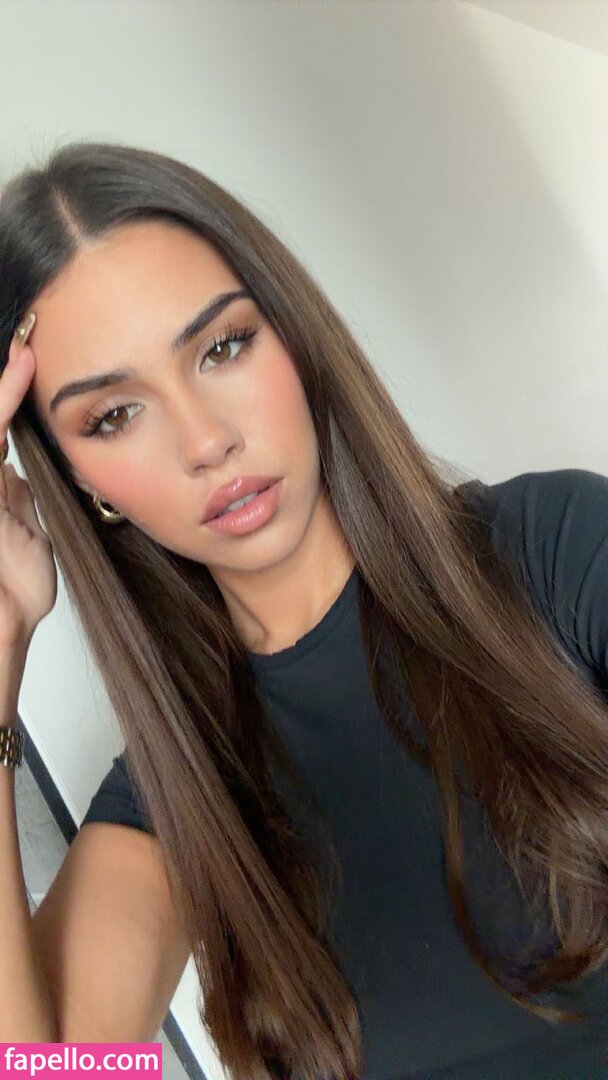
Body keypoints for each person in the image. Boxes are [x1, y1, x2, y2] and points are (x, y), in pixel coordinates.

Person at [0, 140, 607, 1080]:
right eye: (113, 414)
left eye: (223, 346)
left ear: (291, 333)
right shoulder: (177, 795)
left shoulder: (556, 551)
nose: (207, 440)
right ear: (81, 482)